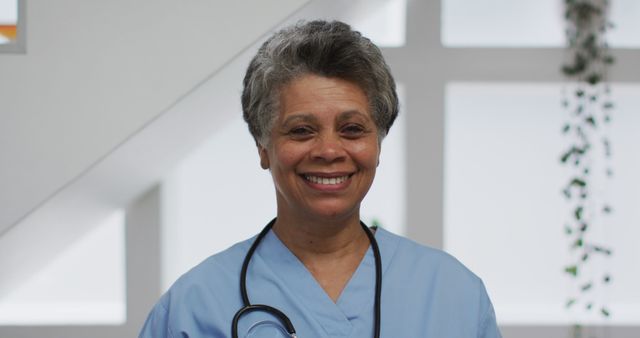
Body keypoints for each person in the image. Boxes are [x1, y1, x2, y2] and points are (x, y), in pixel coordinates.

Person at [139, 20, 502, 338]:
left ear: (377, 144)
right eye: (300, 130)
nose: (329, 150)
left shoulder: (454, 295)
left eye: (352, 129)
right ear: (263, 147)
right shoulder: (194, 307)